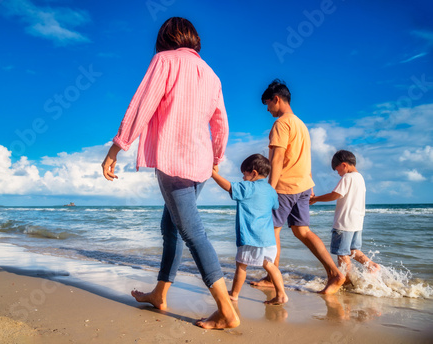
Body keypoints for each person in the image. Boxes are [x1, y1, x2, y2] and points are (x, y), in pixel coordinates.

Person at [101, 17, 239, 330]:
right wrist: (215, 157)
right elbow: (221, 124)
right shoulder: (211, 74)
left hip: (174, 160)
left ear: (165, 38)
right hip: (201, 163)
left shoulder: (164, 60)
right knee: (171, 226)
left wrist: (116, 148)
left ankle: (226, 310)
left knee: (191, 232)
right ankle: (160, 293)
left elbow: (142, 105)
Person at [251, 79, 345, 294]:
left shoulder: (281, 124)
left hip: (285, 185)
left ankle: (271, 275)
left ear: (277, 99)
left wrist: (269, 189)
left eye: (268, 104)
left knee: (272, 230)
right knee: (302, 231)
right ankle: (335, 273)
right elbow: (305, 157)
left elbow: (277, 159)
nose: (267, 109)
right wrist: (310, 184)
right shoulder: (302, 125)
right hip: (303, 184)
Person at [211, 154, 288, 304]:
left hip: (250, 237)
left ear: (253, 173)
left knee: (241, 266)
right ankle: (281, 294)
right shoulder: (271, 190)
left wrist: (212, 174)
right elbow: (275, 206)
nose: (243, 177)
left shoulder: (247, 187)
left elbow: (228, 186)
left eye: (244, 173)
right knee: (270, 266)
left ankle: (234, 293)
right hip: (268, 239)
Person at [309, 150, 380, 284]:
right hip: (357, 221)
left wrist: (316, 199)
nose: (338, 173)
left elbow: (335, 195)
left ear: (344, 165)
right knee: (353, 250)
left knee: (342, 253)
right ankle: (372, 266)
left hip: (344, 222)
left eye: (337, 170)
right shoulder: (360, 178)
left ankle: (345, 281)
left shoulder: (348, 178)